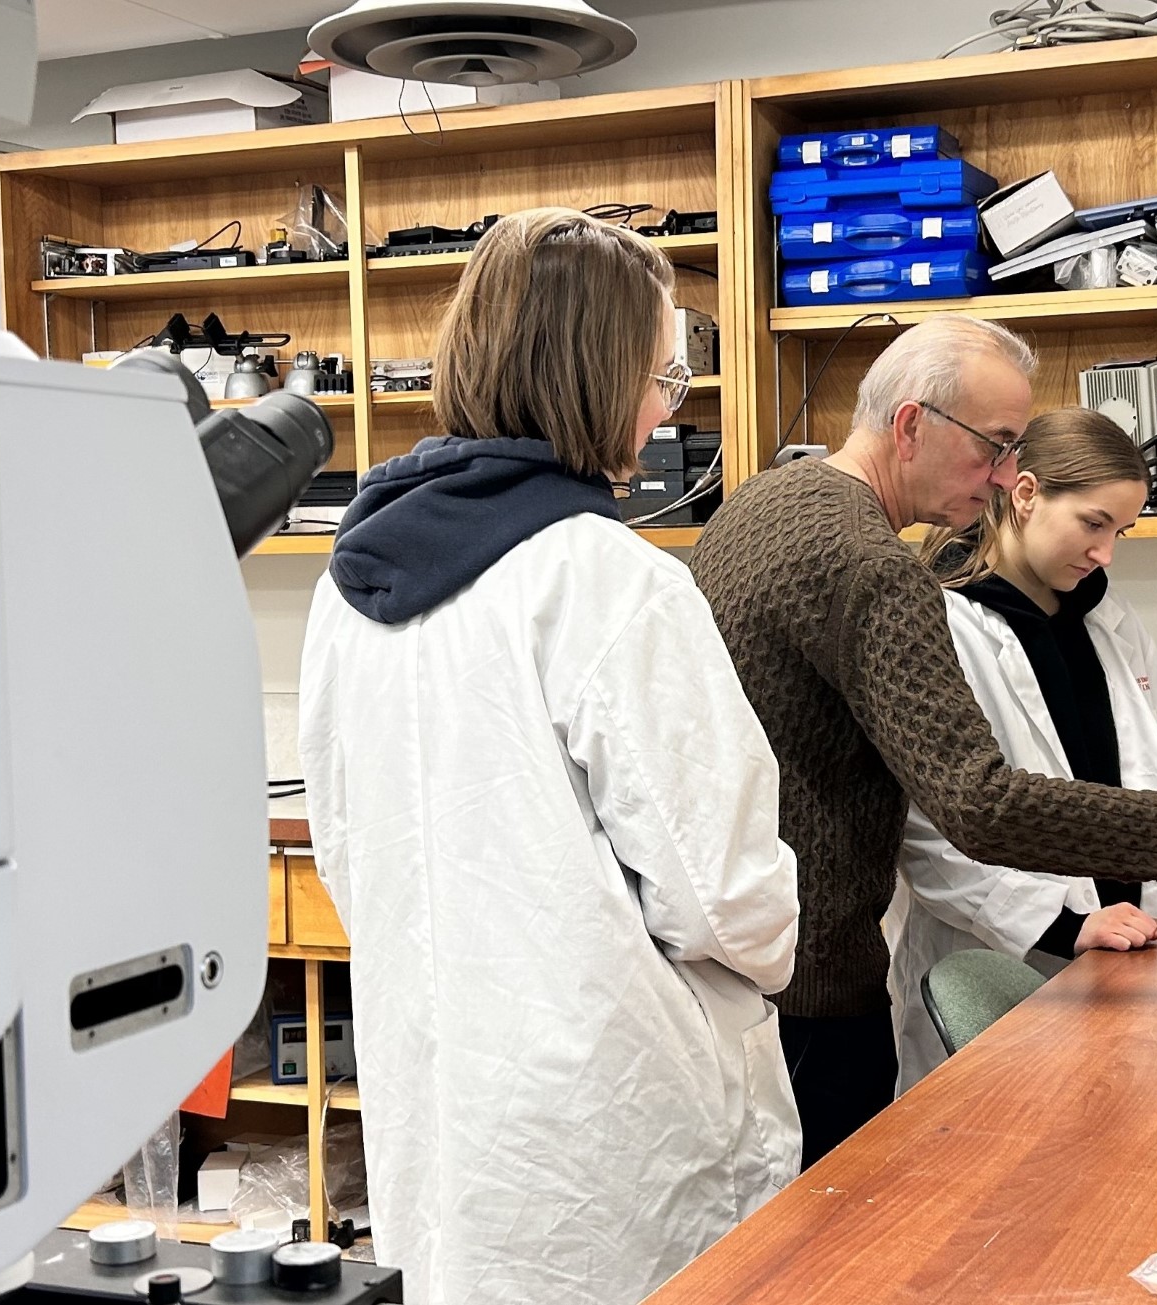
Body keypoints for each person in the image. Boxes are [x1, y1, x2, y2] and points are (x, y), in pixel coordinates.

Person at [688, 316, 1157, 1166]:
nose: (1005, 473)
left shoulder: (763, 501)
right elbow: (974, 803)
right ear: (910, 425)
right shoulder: (874, 564)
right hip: (812, 981)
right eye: (996, 445)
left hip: (744, 964)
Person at [298, 208, 802, 1305]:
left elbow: (347, 852)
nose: (667, 403)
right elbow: (724, 898)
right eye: (664, 372)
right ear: (600, 375)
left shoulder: (343, 588)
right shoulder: (606, 579)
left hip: (449, 1095)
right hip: (616, 1119)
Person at [886, 408, 1157, 1093]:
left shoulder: (1109, 619)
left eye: (1121, 531)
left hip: (1141, 959)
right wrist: (1065, 924)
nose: (1106, 552)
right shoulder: (942, 622)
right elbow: (933, 829)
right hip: (1017, 961)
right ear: (1024, 493)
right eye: (1094, 523)